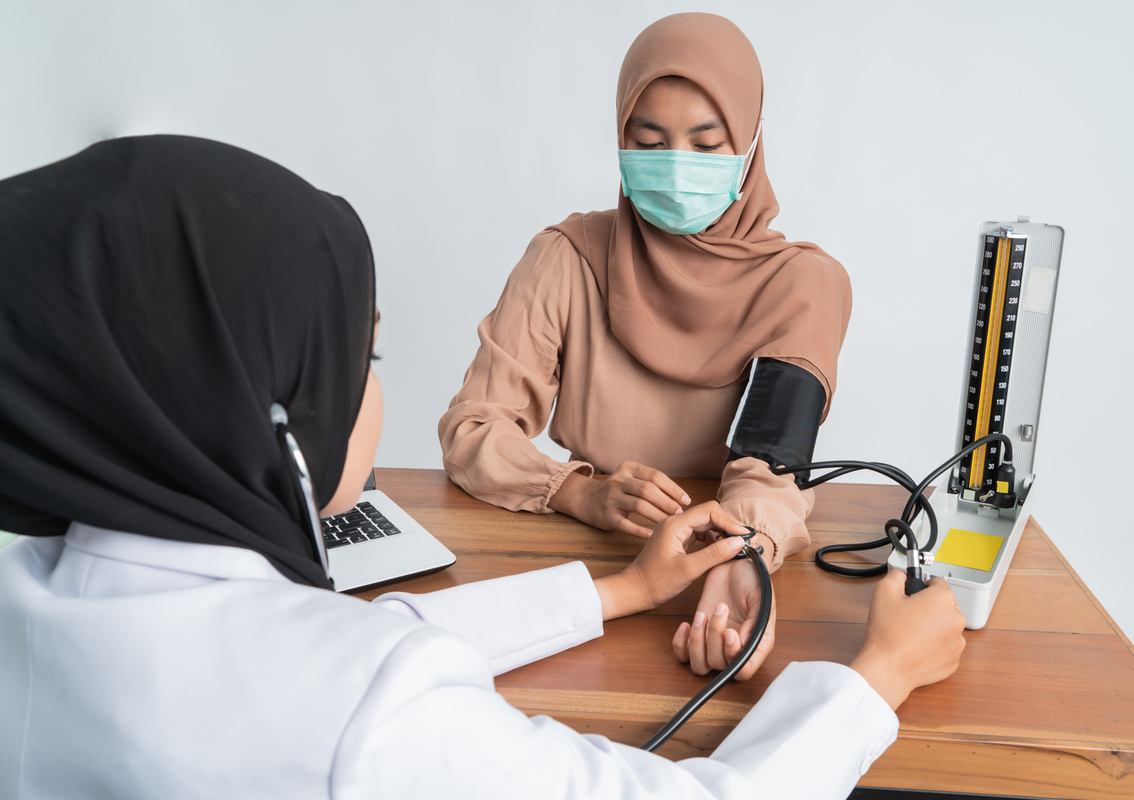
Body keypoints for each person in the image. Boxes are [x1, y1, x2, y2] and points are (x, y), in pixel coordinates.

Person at [0, 135, 964, 798]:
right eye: (360, 359)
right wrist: (880, 674)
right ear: (270, 405)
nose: (372, 395)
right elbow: (370, 672)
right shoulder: (364, 715)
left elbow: (359, 641)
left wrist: (622, 591)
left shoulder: (27, 599)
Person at [440, 12, 850, 678]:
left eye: (706, 143)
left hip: (714, 564)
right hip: (576, 565)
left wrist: (738, 559)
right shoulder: (565, 257)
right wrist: (579, 492)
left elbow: (769, 469)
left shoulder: (805, 286)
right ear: (620, 137)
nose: (675, 165)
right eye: (649, 140)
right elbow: (473, 429)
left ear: (749, 148)